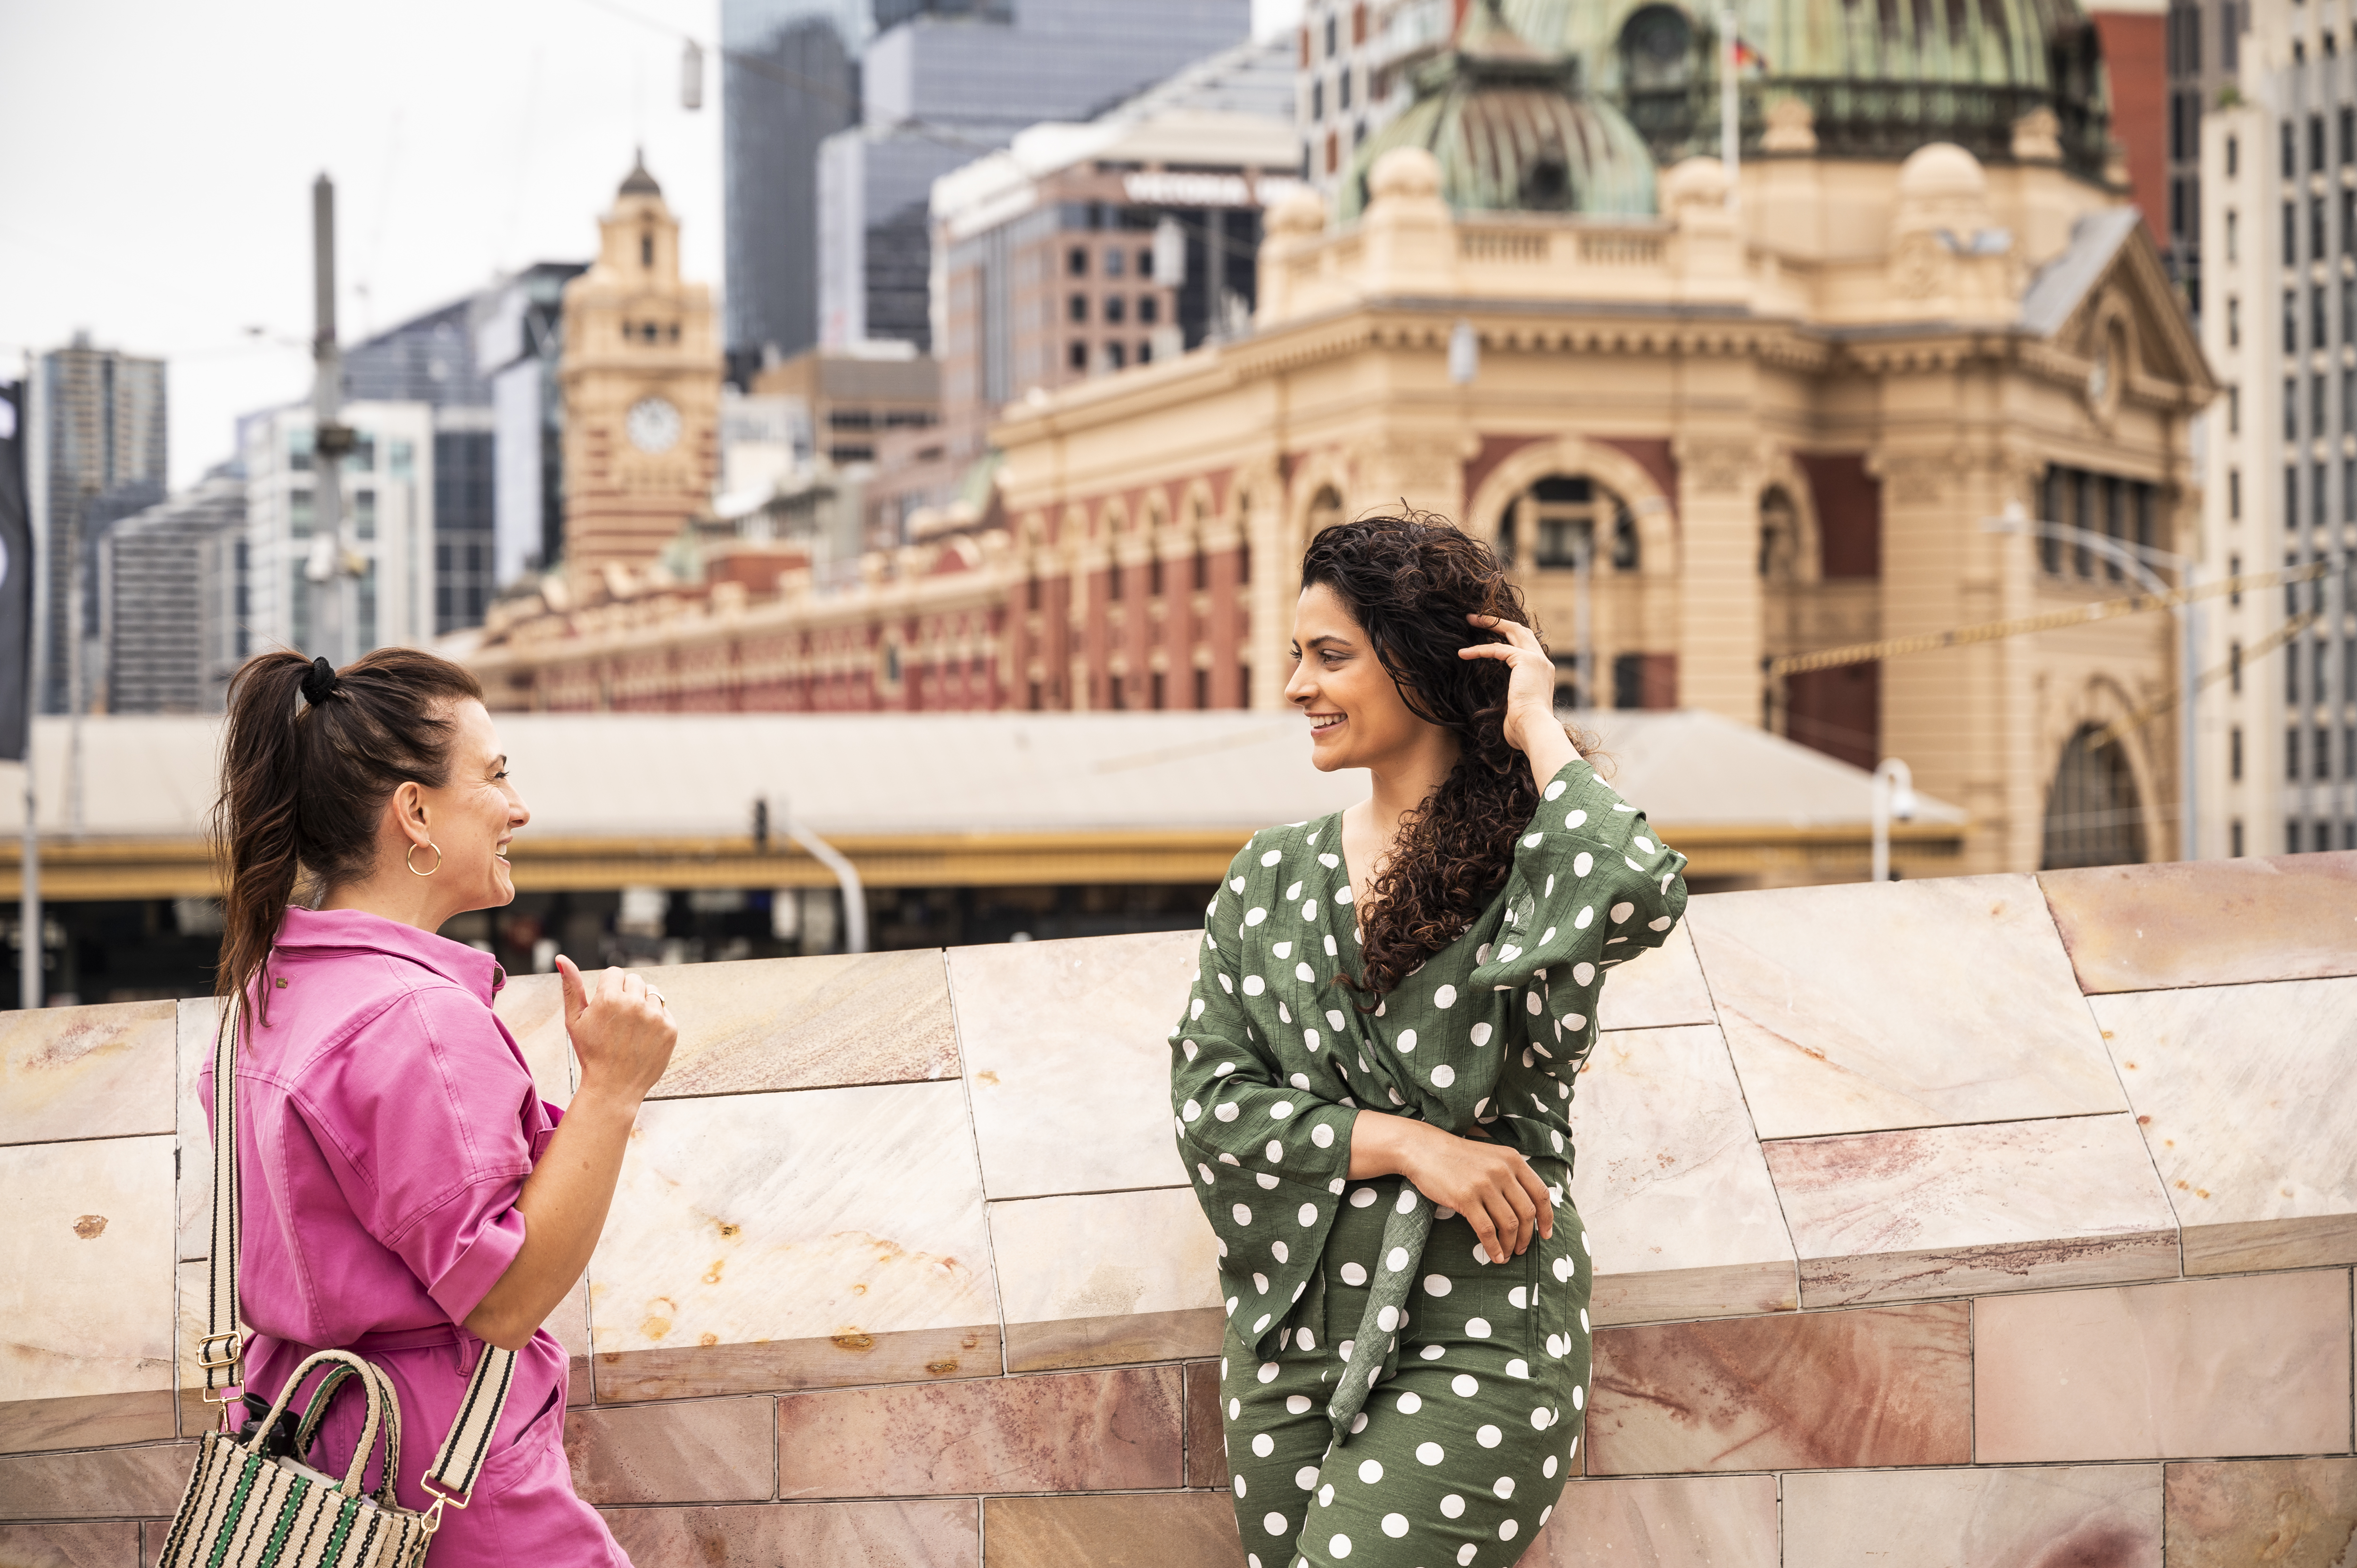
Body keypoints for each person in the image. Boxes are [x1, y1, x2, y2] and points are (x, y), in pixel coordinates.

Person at [1170, 516, 1689, 1568]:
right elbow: (1211, 1102)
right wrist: (1413, 1142)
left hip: (1480, 1325)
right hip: (1291, 1335)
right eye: (1295, 656)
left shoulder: (1530, 865)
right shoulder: (1267, 875)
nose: (1295, 688)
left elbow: (1637, 888)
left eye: (1329, 656)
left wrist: (1535, 726)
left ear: (1416, 662)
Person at [199, 648, 676, 1560]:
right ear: (414, 812)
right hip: (444, 1488)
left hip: (300, 1463)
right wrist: (612, 1087)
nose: (519, 807)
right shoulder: (415, 1018)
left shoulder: (267, 994)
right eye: (496, 775)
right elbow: (500, 1298)